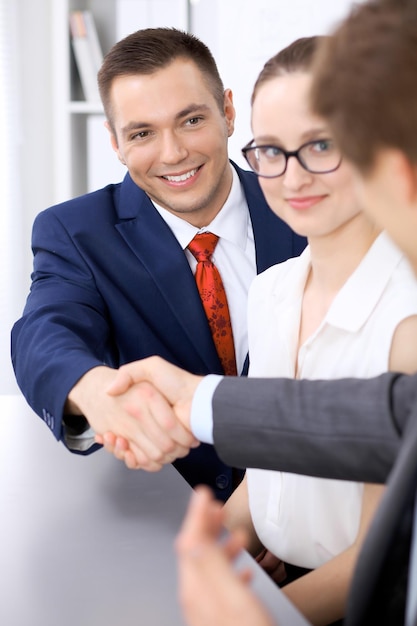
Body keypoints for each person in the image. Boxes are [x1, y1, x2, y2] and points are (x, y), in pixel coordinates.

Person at [102, 0, 417, 624]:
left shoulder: (406, 315)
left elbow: (381, 543)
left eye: (321, 145)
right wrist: (215, 554)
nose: (294, 175)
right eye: (270, 150)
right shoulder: (275, 289)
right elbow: (292, 445)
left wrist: (255, 610)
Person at [10, 27, 305, 502]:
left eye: (191, 121)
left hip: (318, 526)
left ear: (228, 112)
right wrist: (92, 387)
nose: (173, 154)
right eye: (143, 133)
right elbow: (43, 332)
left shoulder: (304, 207)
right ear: (116, 142)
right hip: (167, 532)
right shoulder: (76, 232)